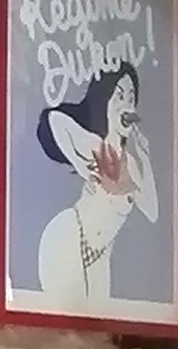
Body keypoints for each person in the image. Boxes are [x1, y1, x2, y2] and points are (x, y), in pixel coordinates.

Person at [32, 62, 156, 310]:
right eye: (119, 96)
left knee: (96, 318)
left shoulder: (132, 164)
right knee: (63, 314)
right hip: (68, 238)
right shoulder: (94, 146)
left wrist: (145, 158)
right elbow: (55, 120)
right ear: (105, 101)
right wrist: (80, 164)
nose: (127, 104)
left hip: (100, 255)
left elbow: (152, 212)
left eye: (131, 97)